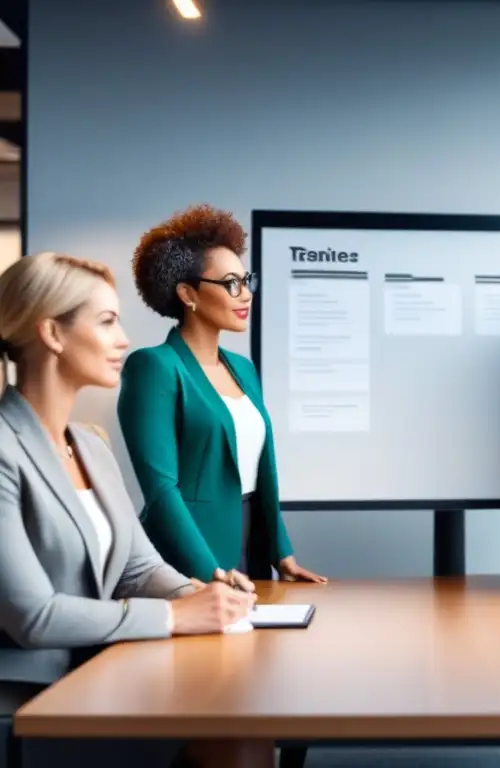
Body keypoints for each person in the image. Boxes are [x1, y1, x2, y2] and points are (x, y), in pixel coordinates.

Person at [0, 251, 267, 768]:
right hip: (32, 694)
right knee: (234, 741)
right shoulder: (4, 452)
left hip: (102, 669)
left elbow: (138, 567)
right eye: (107, 322)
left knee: (245, 732)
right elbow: (33, 617)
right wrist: (175, 614)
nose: (124, 339)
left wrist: (204, 593)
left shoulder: (91, 446)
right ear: (52, 335)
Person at [117, 204, 324, 585]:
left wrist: (283, 552)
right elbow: (161, 490)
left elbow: (261, 471)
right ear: (188, 293)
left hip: (252, 547)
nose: (246, 295)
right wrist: (210, 571)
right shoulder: (154, 368)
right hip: (189, 558)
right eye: (232, 283)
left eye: (247, 281)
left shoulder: (242, 368)